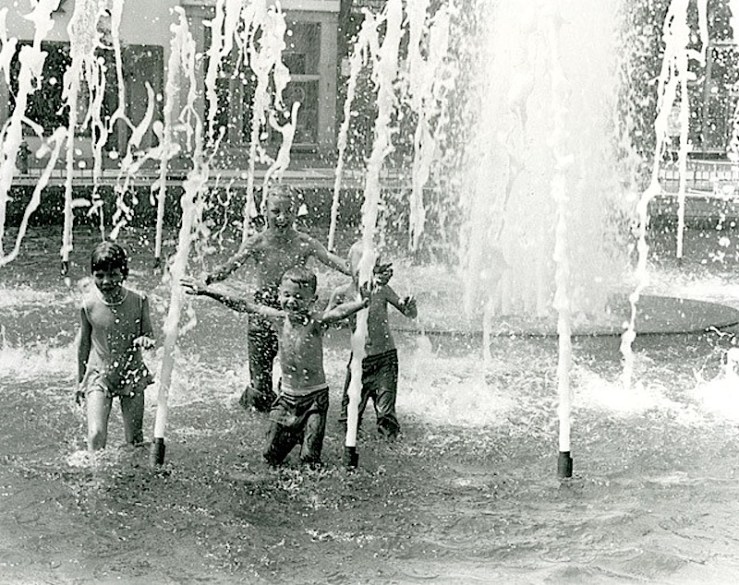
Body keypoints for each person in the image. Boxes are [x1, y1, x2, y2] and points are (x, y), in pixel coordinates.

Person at [203, 184, 390, 412]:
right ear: (265, 211)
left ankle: (288, 419)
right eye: (276, 211)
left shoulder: (305, 242)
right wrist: (209, 278)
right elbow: (231, 265)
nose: (282, 217)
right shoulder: (257, 243)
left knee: (292, 378)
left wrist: (366, 271)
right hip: (264, 313)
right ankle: (252, 401)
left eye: (288, 211)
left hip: (297, 314)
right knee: (260, 386)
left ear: (295, 212)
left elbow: (335, 261)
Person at [181, 267, 370, 467]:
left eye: (299, 297)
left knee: (309, 459)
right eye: (286, 295)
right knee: (270, 456)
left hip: (314, 399)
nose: (291, 301)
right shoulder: (279, 319)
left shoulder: (316, 322)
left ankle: (311, 487)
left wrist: (361, 304)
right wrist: (207, 291)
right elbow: (243, 304)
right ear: (279, 294)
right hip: (287, 398)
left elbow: (338, 312)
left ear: (312, 300)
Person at [328, 242, 418, 441]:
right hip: (359, 362)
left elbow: (409, 313)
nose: (365, 270)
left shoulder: (382, 290)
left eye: (372, 265)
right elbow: (325, 321)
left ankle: (391, 449)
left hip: (385, 360)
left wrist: (410, 305)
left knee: (386, 415)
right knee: (348, 415)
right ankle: (347, 448)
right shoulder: (341, 294)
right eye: (360, 264)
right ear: (347, 265)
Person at [76, 242, 156, 451]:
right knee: (96, 434)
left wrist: (146, 340)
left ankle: (134, 477)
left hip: (131, 373)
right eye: (100, 275)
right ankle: (95, 479)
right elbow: (84, 344)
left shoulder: (139, 301)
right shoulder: (88, 305)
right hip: (99, 376)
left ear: (124, 273)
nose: (106, 281)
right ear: (92, 275)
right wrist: (80, 381)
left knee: (135, 440)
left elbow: (148, 333)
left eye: (113, 274)